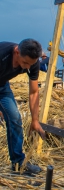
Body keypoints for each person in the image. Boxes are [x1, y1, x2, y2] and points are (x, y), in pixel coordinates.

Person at [0, 39, 46, 174]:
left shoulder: (33, 64)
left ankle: (18, 163)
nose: (27, 67)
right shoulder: (2, 54)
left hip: (2, 85)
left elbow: (33, 92)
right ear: (16, 52)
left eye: (30, 64)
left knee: (15, 118)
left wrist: (35, 120)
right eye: (25, 62)